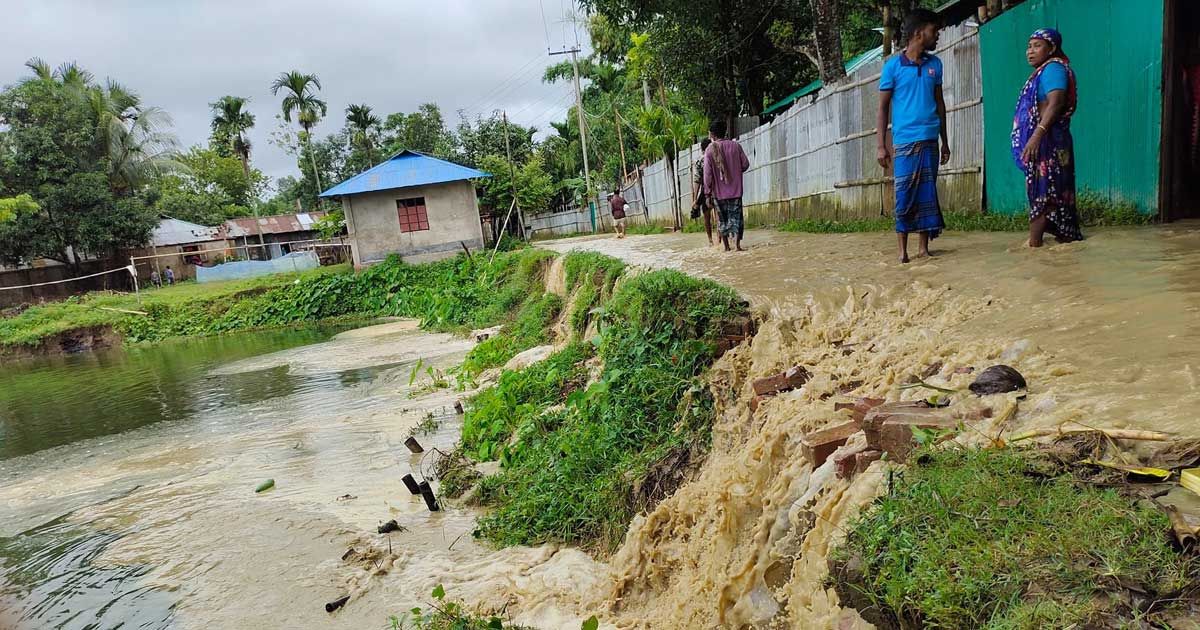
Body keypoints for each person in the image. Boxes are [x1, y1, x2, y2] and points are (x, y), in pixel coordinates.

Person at [877, 8, 950, 264]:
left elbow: (940, 104)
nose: (937, 36)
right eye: (934, 31)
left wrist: (946, 142)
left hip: (930, 138)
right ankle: (902, 252)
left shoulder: (935, 65)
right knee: (905, 193)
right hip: (905, 140)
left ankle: (923, 249)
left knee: (927, 193)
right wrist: (881, 147)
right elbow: (883, 108)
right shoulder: (893, 67)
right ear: (919, 33)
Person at [1012, 28, 1083, 246]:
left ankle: (1034, 246)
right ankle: (1059, 247)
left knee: (1044, 194)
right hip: (1046, 143)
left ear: (1052, 48)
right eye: (1029, 46)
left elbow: (1056, 102)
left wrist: (1037, 135)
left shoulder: (1053, 69)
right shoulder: (1044, 71)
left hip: (1048, 143)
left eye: (1037, 45)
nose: (1029, 51)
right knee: (1050, 194)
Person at [703, 119, 750, 252]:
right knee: (736, 218)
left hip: (719, 193)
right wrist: (734, 170)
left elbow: (707, 175)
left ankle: (726, 247)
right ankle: (738, 246)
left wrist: (707, 193)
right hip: (736, 190)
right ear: (725, 132)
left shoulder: (709, 150)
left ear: (712, 134)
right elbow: (745, 164)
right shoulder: (736, 146)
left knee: (722, 220)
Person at [691, 138, 717, 245]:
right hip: (718, 190)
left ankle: (710, 240)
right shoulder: (715, 158)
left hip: (705, 192)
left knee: (707, 217)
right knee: (718, 215)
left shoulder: (698, 161)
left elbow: (697, 181)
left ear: (701, 149)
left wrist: (694, 199)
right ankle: (720, 239)